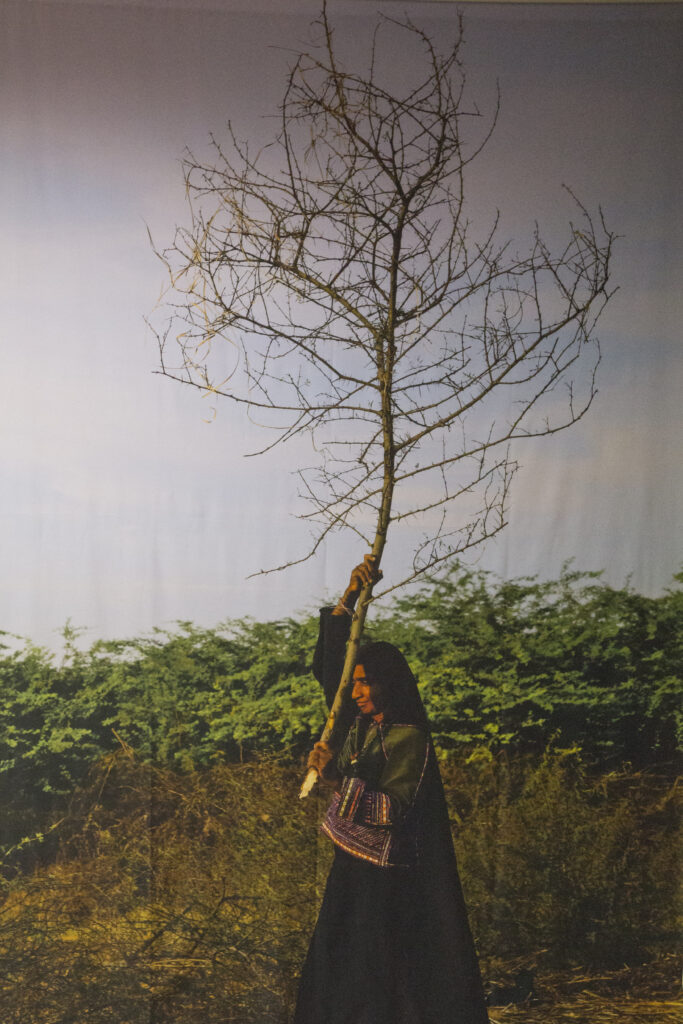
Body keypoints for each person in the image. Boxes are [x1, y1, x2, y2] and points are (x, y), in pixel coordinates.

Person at [293, 556, 489, 1024]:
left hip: (390, 882)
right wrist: (350, 597)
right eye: (356, 684)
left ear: (388, 684)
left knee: (382, 976)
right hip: (353, 868)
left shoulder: (408, 737)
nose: (357, 692)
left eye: (367, 684)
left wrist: (335, 780)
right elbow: (334, 673)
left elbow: (391, 810)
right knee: (341, 966)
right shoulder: (360, 725)